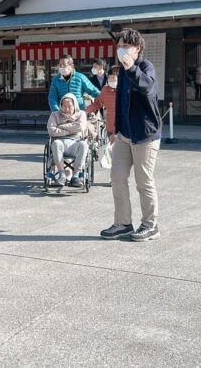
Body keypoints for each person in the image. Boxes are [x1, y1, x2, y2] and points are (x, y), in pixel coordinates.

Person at [100, 28, 163, 242]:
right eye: (119, 46)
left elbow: (149, 88)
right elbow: (120, 102)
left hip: (145, 135)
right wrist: (115, 130)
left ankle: (150, 225)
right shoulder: (122, 71)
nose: (121, 50)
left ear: (137, 48)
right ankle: (123, 223)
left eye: (125, 46)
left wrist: (132, 69)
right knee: (117, 177)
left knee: (143, 182)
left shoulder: (145, 67)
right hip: (125, 135)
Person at [47, 93, 89, 188]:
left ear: (75, 106)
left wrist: (61, 127)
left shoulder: (81, 114)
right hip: (60, 142)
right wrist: (70, 130)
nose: (66, 109)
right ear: (60, 106)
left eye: (69, 106)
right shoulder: (55, 115)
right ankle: (62, 175)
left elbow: (81, 127)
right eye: (64, 106)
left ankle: (76, 176)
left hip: (75, 143)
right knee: (56, 143)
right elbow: (51, 130)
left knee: (84, 145)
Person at [86, 65, 120, 142]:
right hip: (110, 129)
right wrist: (86, 111)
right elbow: (98, 103)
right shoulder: (105, 90)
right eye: (110, 77)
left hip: (124, 132)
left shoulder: (126, 91)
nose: (111, 80)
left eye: (113, 77)